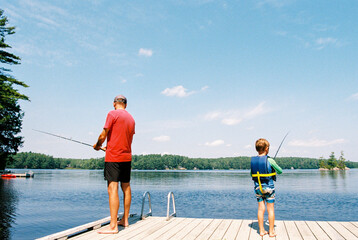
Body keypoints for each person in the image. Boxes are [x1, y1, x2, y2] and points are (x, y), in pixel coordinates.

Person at [93, 95, 135, 234]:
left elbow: (103, 135)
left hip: (113, 157)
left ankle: (113, 226)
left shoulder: (112, 114)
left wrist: (98, 145)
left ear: (114, 104)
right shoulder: (131, 119)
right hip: (126, 156)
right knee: (126, 186)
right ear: (126, 105)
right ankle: (125, 220)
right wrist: (109, 146)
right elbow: (127, 139)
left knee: (112, 188)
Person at [250, 138, 282, 237]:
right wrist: (273, 167)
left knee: (260, 208)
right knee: (270, 209)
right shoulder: (270, 160)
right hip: (269, 188)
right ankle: (271, 231)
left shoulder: (253, 161)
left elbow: (252, 174)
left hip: (258, 188)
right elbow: (280, 171)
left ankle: (261, 231)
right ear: (267, 148)